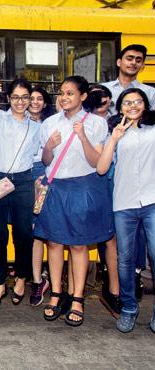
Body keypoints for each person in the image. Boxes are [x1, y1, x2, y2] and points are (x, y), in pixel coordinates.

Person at [35, 75, 113, 327]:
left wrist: (82, 137)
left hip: (83, 187)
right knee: (55, 243)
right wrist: (49, 145)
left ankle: (77, 298)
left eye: (70, 93)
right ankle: (56, 294)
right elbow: (46, 161)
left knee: (79, 245)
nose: (65, 97)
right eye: (62, 93)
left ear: (82, 96)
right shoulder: (49, 123)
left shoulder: (96, 124)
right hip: (56, 188)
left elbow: (96, 163)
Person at [97, 88, 155, 333]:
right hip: (123, 203)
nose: (133, 106)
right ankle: (129, 308)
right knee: (125, 260)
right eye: (127, 102)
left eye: (138, 101)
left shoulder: (153, 130)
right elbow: (101, 169)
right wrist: (114, 139)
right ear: (119, 107)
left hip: (152, 200)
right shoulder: (112, 132)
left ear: (145, 105)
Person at [0, 78, 40, 309]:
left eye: (25, 97)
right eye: (15, 97)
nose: (20, 102)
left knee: (24, 233)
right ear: (8, 98)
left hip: (24, 182)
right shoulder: (0, 120)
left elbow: (38, 155)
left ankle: (20, 277)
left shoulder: (37, 126)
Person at [88, 84, 122, 317]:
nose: (103, 100)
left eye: (106, 96)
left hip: (117, 182)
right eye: (97, 96)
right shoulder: (84, 121)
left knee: (111, 237)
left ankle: (114, 290)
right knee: (78, 238)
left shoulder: (119, 121)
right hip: (91, 181)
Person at [28, 86, 55, 306]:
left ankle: (44, 281)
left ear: (45, 103)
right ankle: (34, 279)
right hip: (21, 173)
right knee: (30, 229)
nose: (35, 102)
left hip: (44, 173)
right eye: (31, 98)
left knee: (44, 229)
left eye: (39, 99)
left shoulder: (52, 124)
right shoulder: (15, 121)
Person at [102, 44, 155, 115]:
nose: (133, 63)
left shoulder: (151, 92)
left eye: (138, 61)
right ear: (119, 62)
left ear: (142, 66)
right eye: (129, 59)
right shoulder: (103, 89)